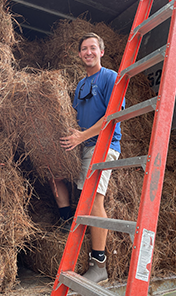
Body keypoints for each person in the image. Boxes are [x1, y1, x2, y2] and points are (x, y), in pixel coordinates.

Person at [49, 32, 124, 284]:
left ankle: (99, 263)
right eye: (84, 49)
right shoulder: (81, 85)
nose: (88, 52)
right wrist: (73, 132)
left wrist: (81, 137)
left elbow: (112, 117)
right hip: (83, 144)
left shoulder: (110, 77)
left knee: (93, 200)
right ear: (79, 54)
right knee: (57, 176)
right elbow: (79, 119)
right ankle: (68, 228)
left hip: (102, 145)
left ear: (101, 52)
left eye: (93, 48)